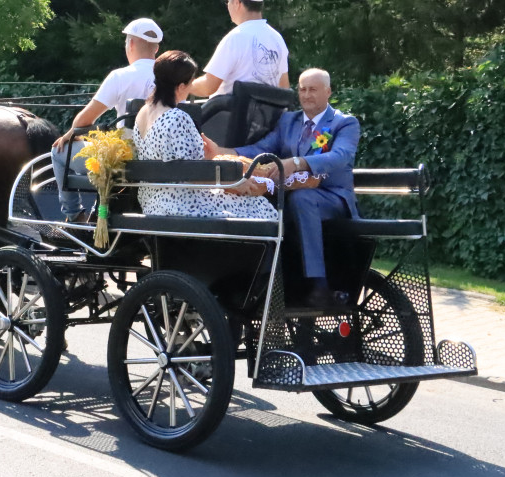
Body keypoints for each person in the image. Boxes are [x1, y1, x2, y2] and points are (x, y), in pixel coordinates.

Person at [203, 68, 359, 306]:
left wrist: (297, 162)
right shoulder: (289, 121)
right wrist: (224, 152)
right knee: (257, 194)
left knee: (301, 199)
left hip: (332, 195)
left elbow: (340, 156)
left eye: (313, 89)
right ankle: (258, 279)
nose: (306, 95)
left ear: (328, 92)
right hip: (293, 192)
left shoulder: (344, 123)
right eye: (302, 89)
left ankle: (319, 285)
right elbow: (261, 149)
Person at [134, 50, 278, 220]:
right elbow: (192, 174)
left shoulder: (142, 114)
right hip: (180, 202)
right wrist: (235, 182)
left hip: (150, 201)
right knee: (261, 206)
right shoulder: (177, 117)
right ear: (181, 87)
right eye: (189, 85)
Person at [52, 18, 163, 222]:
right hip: (159, 159)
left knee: (58, 151)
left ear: (130, 44)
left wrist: (71, 134)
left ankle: (74, 214)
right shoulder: (169, 78)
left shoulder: (120, 76)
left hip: (124, 161)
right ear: (156, 49)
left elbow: (85, 120)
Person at [188, 0, 290, 98]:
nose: (228, 6)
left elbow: (208, 87)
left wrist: (183, 84)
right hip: (269, 116)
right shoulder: (277, 39)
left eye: (228, 0)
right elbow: (284, 87)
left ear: (236, 2)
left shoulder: (235, 38)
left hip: (231, 114)